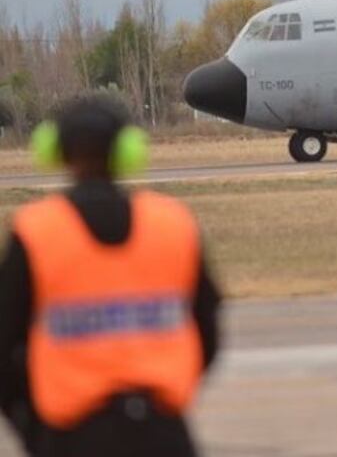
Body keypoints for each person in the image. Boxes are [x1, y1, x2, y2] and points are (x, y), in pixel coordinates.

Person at [0, 97, 221, 457]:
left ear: (53, 151)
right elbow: (208, 333)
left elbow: (4, 342)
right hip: (162, 434)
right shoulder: (172, 224)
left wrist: (30, 423)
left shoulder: (37, 232)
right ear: (129, 150)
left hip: (70, 437)